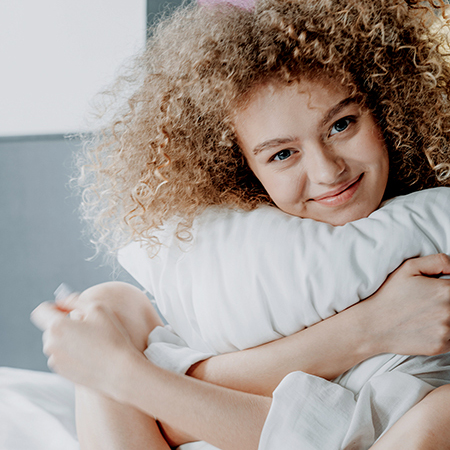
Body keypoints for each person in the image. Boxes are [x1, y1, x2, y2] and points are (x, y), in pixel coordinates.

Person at [31, 0, 450, 449]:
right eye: (282, 154)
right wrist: (369, 328)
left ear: (383, 108)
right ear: (243, 168)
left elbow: (337, 434)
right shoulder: (249, 259)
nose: (329, 172)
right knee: (109, 305)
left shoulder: (430, 230)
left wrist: (121, 377)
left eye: (342, 124)